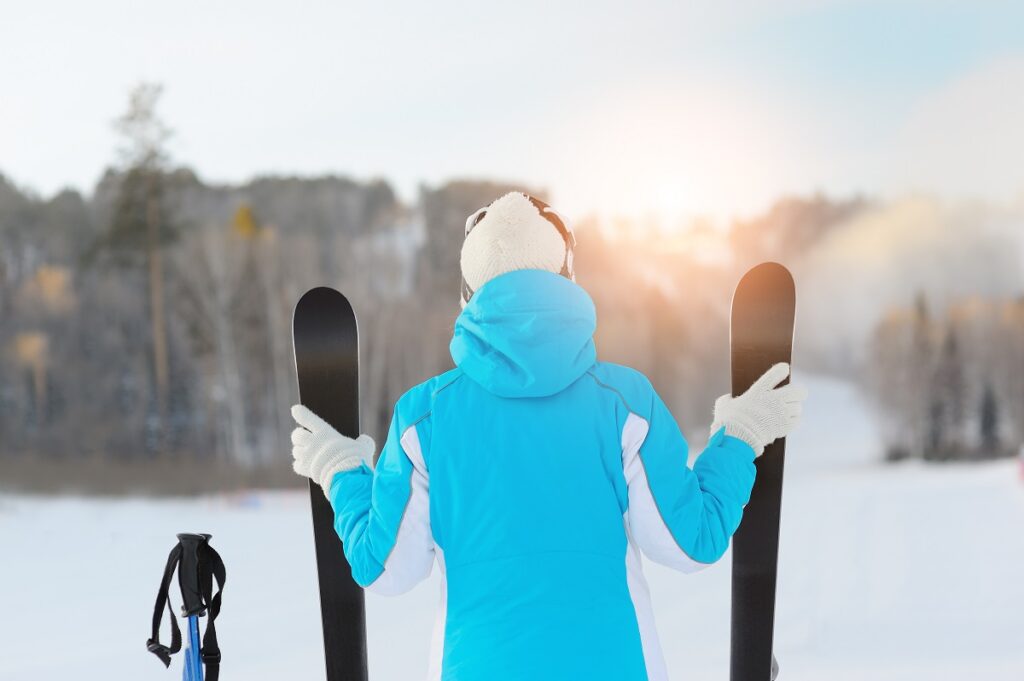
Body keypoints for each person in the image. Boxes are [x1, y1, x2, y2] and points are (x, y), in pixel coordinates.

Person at [290, 192, 807, 681]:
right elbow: (690, 543)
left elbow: (386, 571)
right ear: (567, 280)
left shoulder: (424, 418)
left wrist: (340, 473)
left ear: (468, 296)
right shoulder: (625, 404)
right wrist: (738, 438)